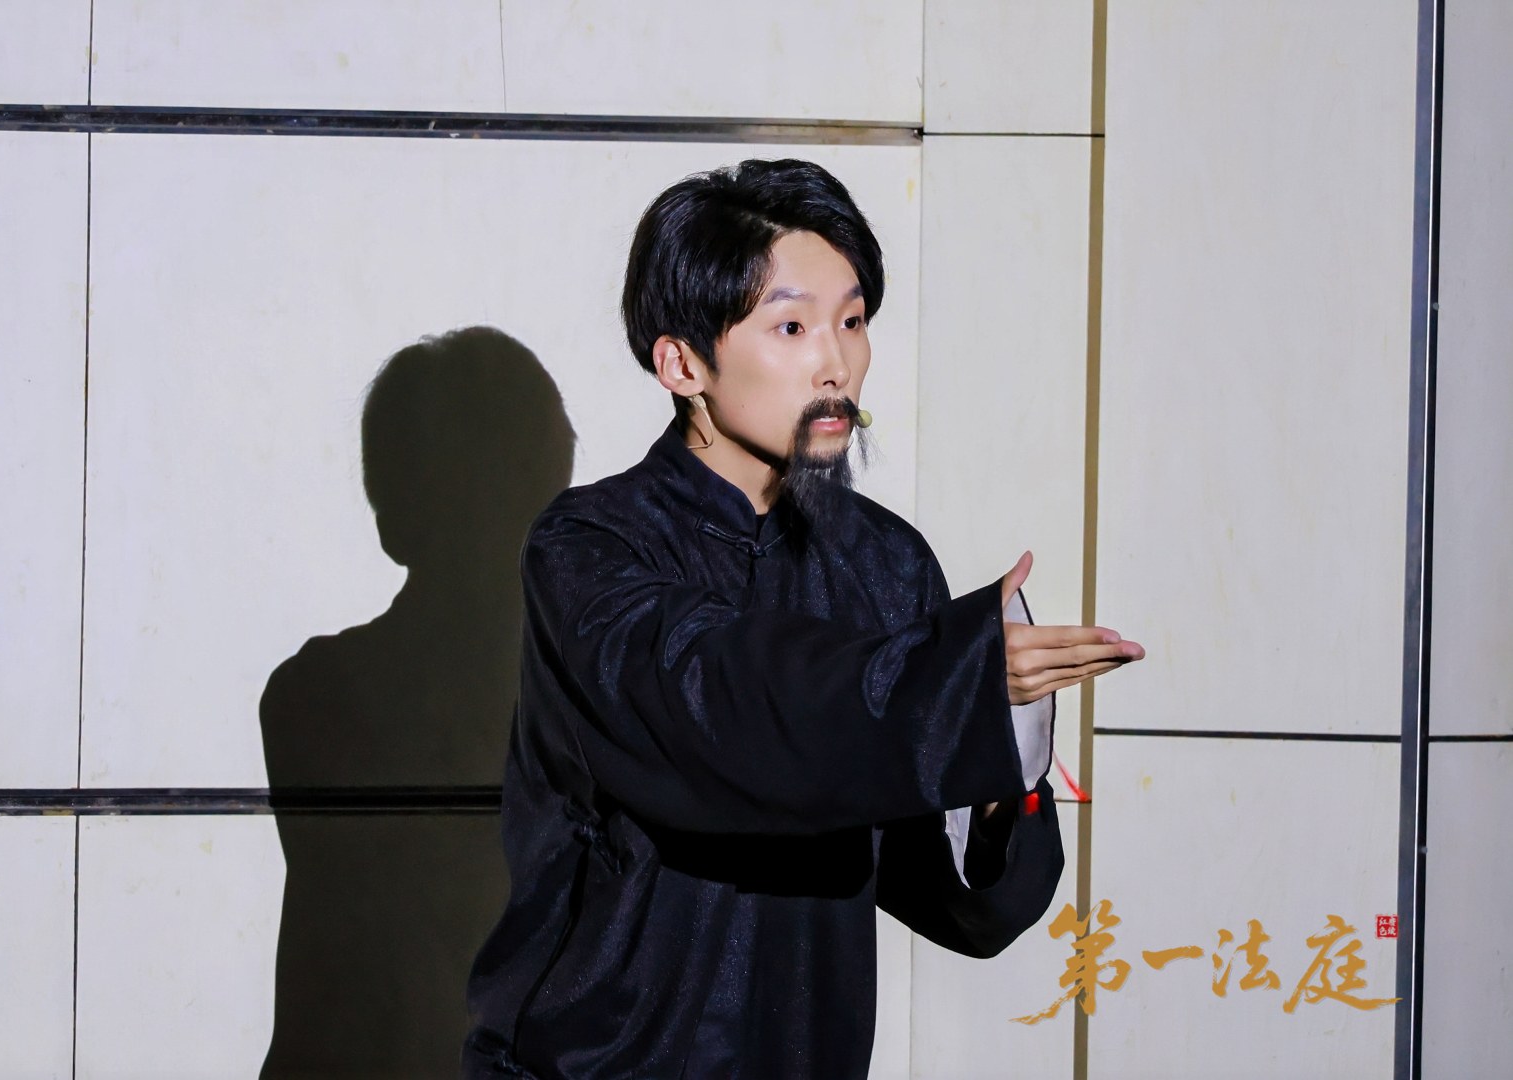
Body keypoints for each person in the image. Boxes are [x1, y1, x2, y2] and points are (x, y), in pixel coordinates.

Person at [464, 159, 1144, 1078]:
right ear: (682, 363)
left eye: (852, 322)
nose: (837, 364)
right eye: (791, 326)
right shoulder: (588, 548)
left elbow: (958, 905)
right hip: (595, 1063)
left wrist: (999, 770)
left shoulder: (885, 563)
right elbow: (724, 701)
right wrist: (950, 682)